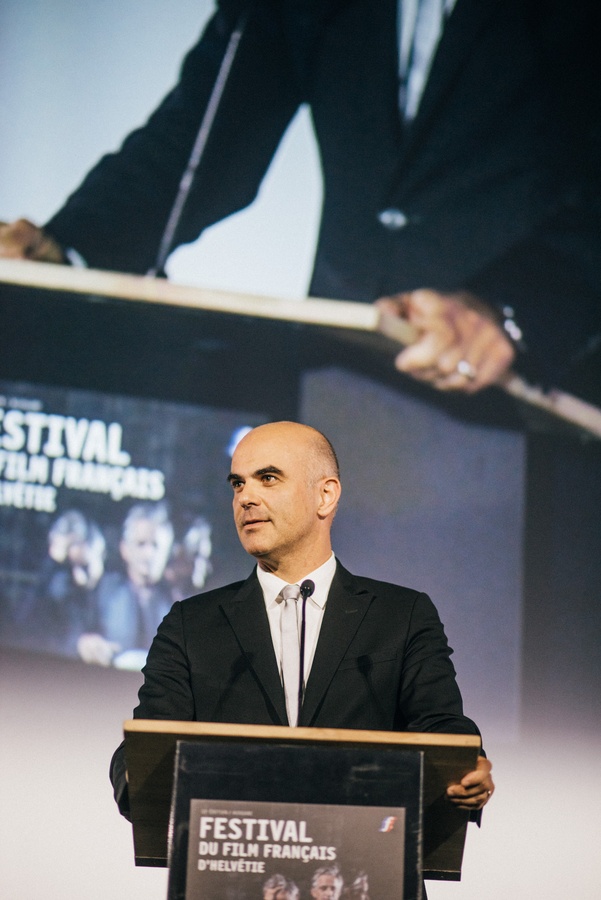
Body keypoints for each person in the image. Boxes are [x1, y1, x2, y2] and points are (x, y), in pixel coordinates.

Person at [0, 1, 599, 398]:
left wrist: (508, 310)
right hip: (337, 385)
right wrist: (65, 248)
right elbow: (202, 141)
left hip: (545, 397)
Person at [109, 422, 494, 826]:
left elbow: (442, 728)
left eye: (268, 478)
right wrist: (137, 775)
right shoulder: (191, 625)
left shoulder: (401, 615)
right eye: (237, 484)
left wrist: (467, 766)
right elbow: (145, 744)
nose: (246, 498)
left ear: (325, 495)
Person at [78, 501, 174, 668]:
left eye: (156, 546)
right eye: (141, 544)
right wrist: (83, 644)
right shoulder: (102, 591)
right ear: (125, 549)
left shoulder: (179, 602)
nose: (149, 554)